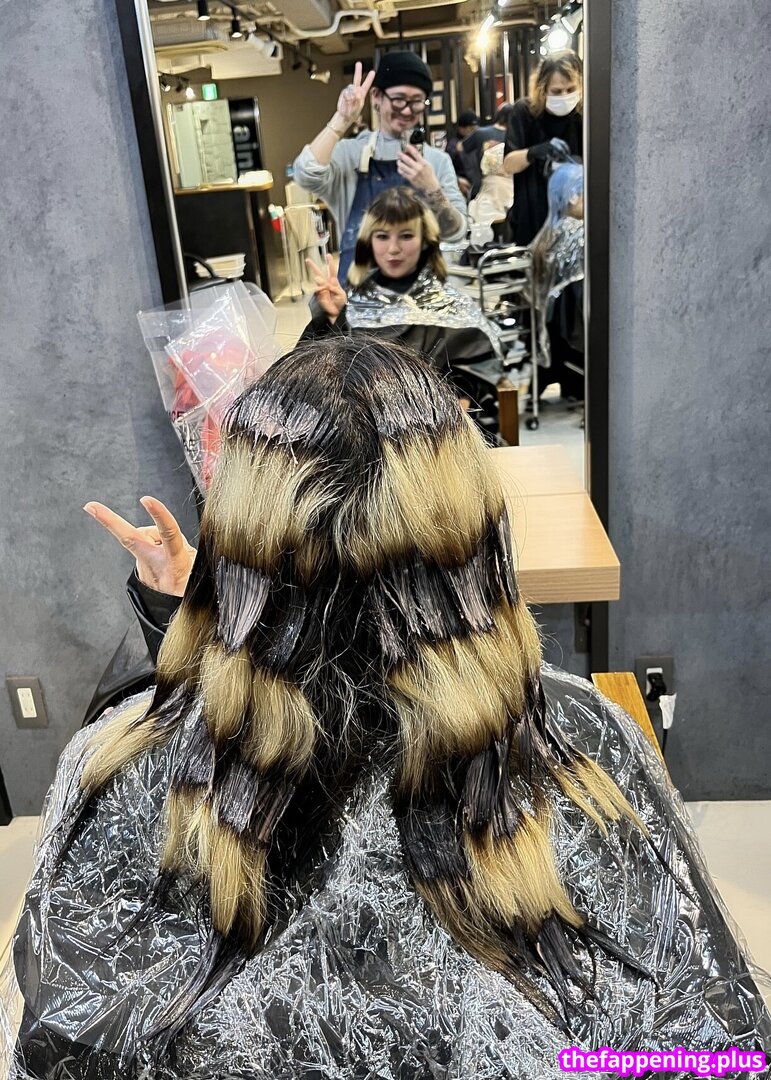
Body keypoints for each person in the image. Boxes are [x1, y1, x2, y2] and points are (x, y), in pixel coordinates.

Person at [5, 339, 771, 1080]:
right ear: (469, 528)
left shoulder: (118, 769)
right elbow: (711, 1047)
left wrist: (210, 624)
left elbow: (63, 1047)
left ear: (238, 538)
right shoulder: (582, 745)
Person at [293, 54, 466, 283]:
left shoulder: (437, 161)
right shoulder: (350, 154)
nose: (407, 110)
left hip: (422, 295)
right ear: (376, 96)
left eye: (417, 101)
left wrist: (433, 191)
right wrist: (341, 120)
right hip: (358, 293)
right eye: (399, 99)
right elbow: (305, 174)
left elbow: (456, 232)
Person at [302, 186, 504, 374]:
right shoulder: (353, 305)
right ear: (369, 241)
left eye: (406, 236)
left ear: (425, 240)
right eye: (382, 236)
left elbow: (477, 383)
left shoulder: (454, 310)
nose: (393, 249)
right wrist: (335, 319)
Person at [503, 51, 583, 245]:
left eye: (571, 89)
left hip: (572, 224)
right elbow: (508, 164)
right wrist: (534, 152)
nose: (564, 96)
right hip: (531, 221)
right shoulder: (524, 112)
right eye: (556, 91)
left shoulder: (582, 116)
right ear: (542, 89)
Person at [531, 161, 585, 401]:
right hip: (572, 326)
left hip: (553, 326)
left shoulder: (546, 234)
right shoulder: (579, 233)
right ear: (572, 196)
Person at [458, 103, 513, 199]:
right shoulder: (515, 136)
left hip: (482, 188)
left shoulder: (480, 133)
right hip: (509, 189)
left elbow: (459, 148)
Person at [446, 108, 480, 197]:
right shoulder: (453, 145)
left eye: (476, 129)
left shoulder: (478, 143)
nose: (474, 132)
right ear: (461, 129)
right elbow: (447, 169)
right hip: (463, 189)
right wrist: (457, 180)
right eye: (471, 129)